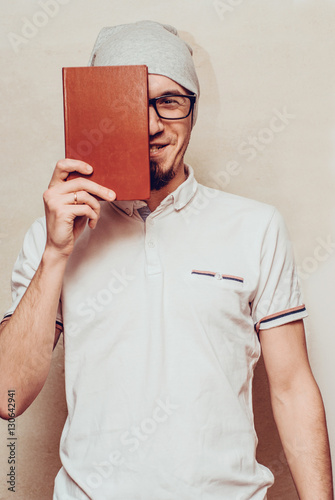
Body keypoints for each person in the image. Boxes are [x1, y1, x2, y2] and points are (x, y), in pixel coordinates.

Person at [0, 20, 333, 500]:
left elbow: (292, 387)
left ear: (192, 113)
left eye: (170, 101)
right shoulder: (52, 237)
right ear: (98, 115)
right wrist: (55, 254)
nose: (153, 124)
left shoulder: (256, 227)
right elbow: (7, 397)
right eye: (130, 102)